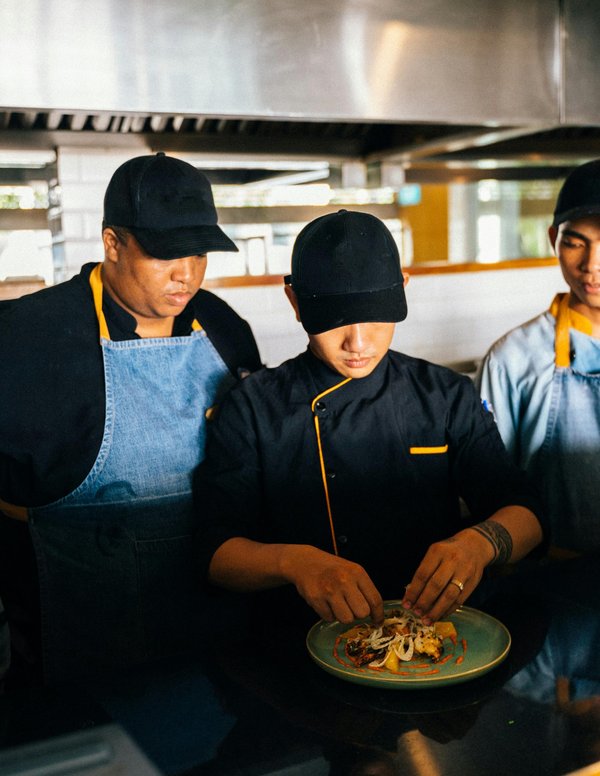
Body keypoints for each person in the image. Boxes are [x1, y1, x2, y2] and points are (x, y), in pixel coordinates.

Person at [196, 209, 543, 633]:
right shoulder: (253, 407)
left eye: (375, 317)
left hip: (433, 637)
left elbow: (528, 512)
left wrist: (480, 543)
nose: (357, 343)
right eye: (334, 321)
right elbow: (215, 553)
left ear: (403, 290)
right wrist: (294, 562)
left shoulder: (445, 395)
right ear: (294, 302)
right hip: (295, 641)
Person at [0, 152, 262, 687]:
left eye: (199, 254)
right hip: (83, 642)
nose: (186, 275)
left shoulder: (222, 326)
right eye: (165, 255)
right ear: (112, 243)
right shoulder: (27, 335)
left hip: (216, 633)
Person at [477, 159, 600, 555]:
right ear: (553, 240)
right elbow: (491, 492)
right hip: (554, 580)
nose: (591, 265)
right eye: (575, 243)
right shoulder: (511, 359)